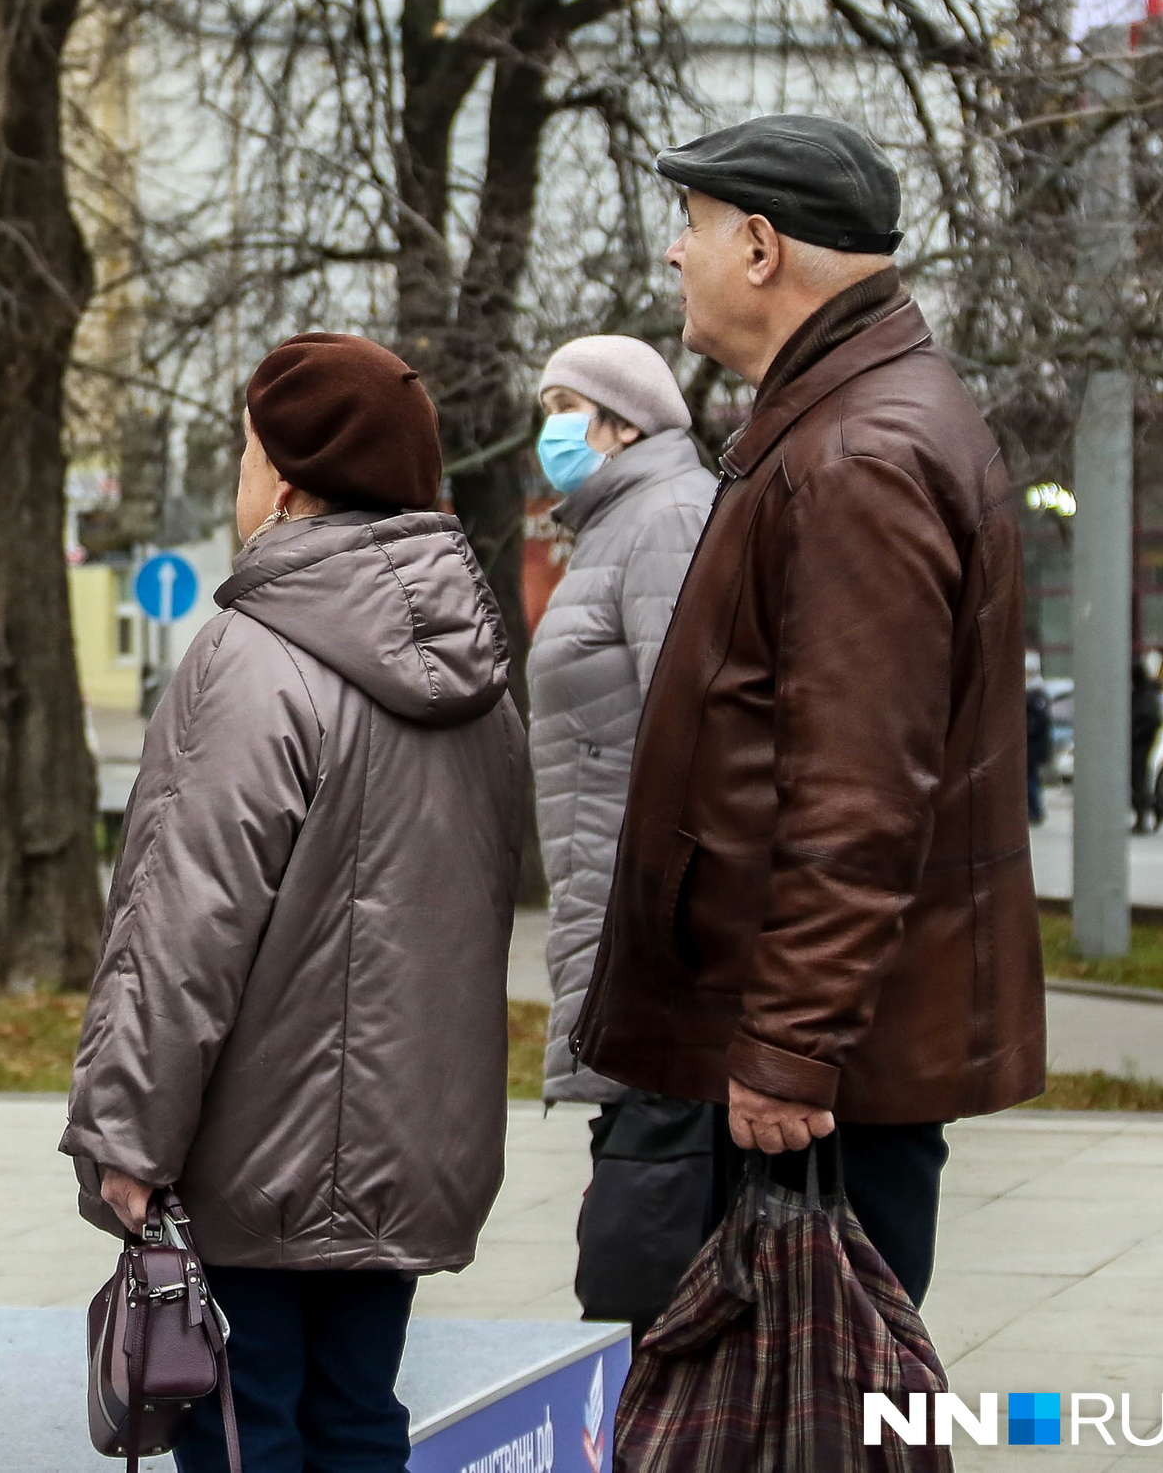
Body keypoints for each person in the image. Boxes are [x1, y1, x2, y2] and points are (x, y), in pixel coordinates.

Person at [574, 114, 1044, 1315]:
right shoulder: (845, 418)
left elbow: (859, 800)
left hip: (819, 1087)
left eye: (692, 227)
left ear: (763, 247)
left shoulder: (856, 456)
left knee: (811, 1415)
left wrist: (789, 1048)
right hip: (825, 1062)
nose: (676, 256)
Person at [63, 332, 528, 1473]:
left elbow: (182, 925)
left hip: (253, 1163)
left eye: (241, 450)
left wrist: (125, 1132)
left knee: (243, 1430)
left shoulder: (251, 656)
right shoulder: (478, 681)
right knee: (358, 1421)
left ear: (284, 477)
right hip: (406, 1158)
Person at [527, 335, 718, 1341]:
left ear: (623, 421)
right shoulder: (613, 528)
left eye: (564, 406)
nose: (549, 432)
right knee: (636, 1273)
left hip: (657, 967)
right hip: (620, 948)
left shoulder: (668, 519)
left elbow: (697, 741)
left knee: (640, 1286)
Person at [1133, 650, 1163, 834]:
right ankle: (1155, 809)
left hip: (1141, 743)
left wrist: (1137, 733)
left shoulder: (1145, 694)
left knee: (1138, 780)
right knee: (1138, 780)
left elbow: (1151, 719)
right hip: (1139, 742)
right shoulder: (1143, 692)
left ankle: (1153, 810)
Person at [1024, 653, 1052, 827]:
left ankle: (1035, 810)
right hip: (1033, 745)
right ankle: (1034, 809)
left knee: (1030, 778)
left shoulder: (1036, 694)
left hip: (1033, 746)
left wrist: (1026, 730)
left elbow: (1039, 722)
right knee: (1031, 777)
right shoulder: (1034, 693)